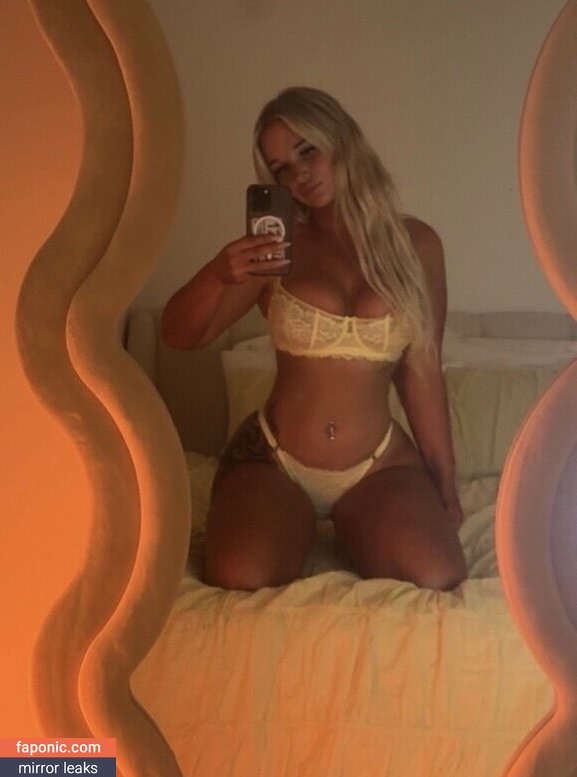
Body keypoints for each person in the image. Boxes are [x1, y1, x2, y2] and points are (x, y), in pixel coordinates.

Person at [162, 86, 467, 592]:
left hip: (377, 465)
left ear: (342, 139)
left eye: (307, 150)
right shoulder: (276, 248)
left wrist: (445, 484)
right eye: (281, 167)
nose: (299, 174)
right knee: (240, 575)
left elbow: (423, 372)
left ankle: (356, 522)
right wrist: (218, 273)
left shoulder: (418, 246)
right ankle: (289, 519)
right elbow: (180, 336)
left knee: (437, 575)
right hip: (275, 460)